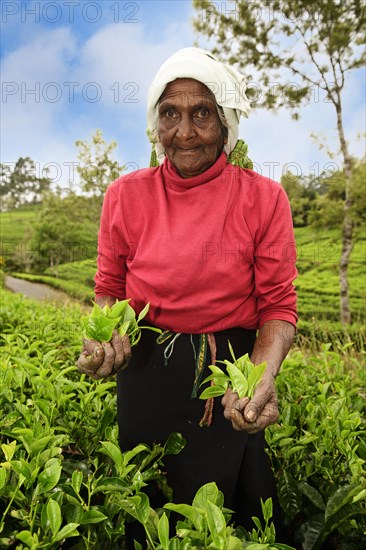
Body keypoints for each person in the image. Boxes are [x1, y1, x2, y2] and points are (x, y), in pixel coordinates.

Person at [77, 47, 297, 544]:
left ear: (225, 122)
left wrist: (261, 375)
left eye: (202, 113)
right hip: (147, 367)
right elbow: (109, 290)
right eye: (170, 114)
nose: (184, 131)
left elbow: (279, 306)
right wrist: (106, 336)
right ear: (155, 123)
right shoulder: (125, 195)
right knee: (149, 500)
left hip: (227, 376)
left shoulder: (263, 198)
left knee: (223, 511)